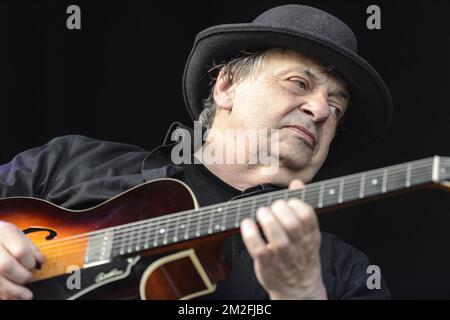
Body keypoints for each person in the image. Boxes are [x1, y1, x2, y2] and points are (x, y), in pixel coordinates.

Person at [0, 5, 392, 300]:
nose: (321, 110)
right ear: (226, 86)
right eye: (298, 83)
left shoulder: (344, 272)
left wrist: (302, 292)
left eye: (336, 107)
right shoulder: (72, 162)